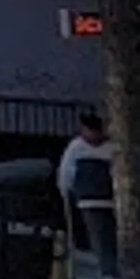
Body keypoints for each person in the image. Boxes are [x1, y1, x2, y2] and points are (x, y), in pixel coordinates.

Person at [56, 109, 115, 270]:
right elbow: (66, 170)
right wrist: (64, 189)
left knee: (110, 236)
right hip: (88, 198)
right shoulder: (76, 147)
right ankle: (107, 270)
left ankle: (110, 269)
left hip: (110, 198)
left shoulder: (111, 148)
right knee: (97, 236)